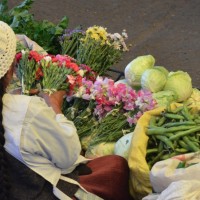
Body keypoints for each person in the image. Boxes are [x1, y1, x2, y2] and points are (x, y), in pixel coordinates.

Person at [0, 21, 133, 200]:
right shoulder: (25, 110)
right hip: (39, 192)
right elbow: (68, 157)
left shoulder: (20, 107)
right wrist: (55, 105)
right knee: (115, 167)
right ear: (9, 72)